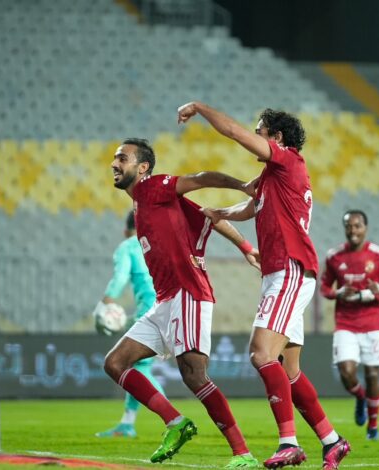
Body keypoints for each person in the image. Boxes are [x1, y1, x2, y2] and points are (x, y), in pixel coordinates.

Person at [178, 102, 350, 470]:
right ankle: (332, 441)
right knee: (288, 371)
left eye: (261, 131)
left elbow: (233, 132)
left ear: (277, 138)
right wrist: (220, 212)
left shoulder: (287, 160)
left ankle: (288, 442)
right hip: (283, 271)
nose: (255, 135)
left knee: (260, 354)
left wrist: (199, 108)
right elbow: (252, 207)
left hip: (289, 269)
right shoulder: (274, 177)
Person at [103, 138, 261, 468]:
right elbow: (210, 216)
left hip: (188, 292)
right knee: (115, 363)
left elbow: (202, 179)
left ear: (142, 167)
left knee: (194, 375)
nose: (115, 164)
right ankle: (176, 423)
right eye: (115, 158)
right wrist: (246, 247)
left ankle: (243, 454)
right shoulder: (142, 205)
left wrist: (242, 186)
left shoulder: (155, 187)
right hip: (165, 301)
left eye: (123, 158)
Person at [320, 210, 379, 441]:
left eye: (357, 226)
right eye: (348, 226)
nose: (353, 230)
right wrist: (338, 292)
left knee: (372, 374)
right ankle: (360, 397)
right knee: (347, 373)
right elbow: (325, 289)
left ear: (365, 228)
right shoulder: (334, 256)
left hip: (373, 323)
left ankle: (373, 427)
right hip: (346, 323)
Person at [94, 210, 162, 438]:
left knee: (132, 368)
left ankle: (174, 419)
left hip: (150, 313)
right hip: (174, 306)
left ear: (126, 231)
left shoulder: (128, 246)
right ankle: (127, 423)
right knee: (136, 367)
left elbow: (120, 277)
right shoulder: (161, 241)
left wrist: (108, 299)